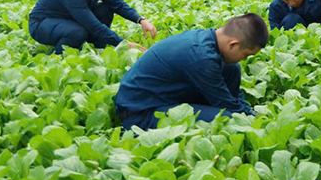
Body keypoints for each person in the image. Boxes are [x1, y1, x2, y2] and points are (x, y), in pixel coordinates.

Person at [114, 13, 268, 131]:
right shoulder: (201, 58)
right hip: (140, 113)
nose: (245, 59)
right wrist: (254, 122)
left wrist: (247, 111)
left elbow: (233, 98)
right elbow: (226, 104)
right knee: (228, 119)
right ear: (233, 44)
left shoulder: (210, 40)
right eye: (246, 54)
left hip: (164, 99)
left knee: (232, 68)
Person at [29, 0, 157, 54]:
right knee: (77, 32)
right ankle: (57, 56)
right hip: (41, 24)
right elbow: (93, 25)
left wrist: (141, 20)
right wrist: (124, 44)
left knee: (107, 8)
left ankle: (98, 47)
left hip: (68, 19)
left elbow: (117, 4)